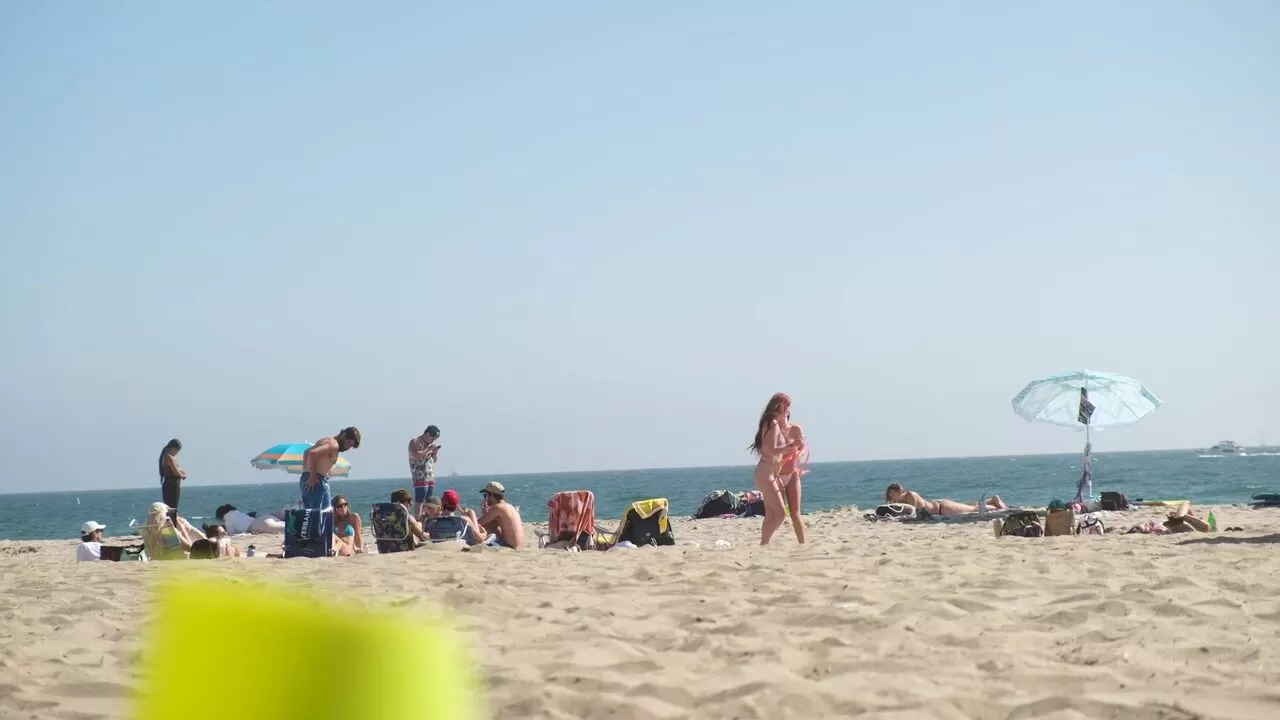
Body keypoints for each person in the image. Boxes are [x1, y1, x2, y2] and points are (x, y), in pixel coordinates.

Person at [749, 393, 805, 546]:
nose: (788, 410)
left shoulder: (771, 422)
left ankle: (764, 544)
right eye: (787, 406)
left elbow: (773, 449)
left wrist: (795, 447)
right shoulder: (772, 423)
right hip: (766, 472)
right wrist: (791, 446)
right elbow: (771, 449)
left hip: (769, 472)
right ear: (780, 406)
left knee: (773, 514)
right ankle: (763, 543)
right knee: (780, 514)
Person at [300, 427, 361, 510]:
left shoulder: (327, 440)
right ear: (343, 435)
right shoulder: (334, 445)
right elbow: (312, 453)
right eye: (348, 444)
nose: (348, 448)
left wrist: (306, 473)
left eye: (350, 446)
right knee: (321, 517)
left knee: (314, 516)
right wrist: (313, 476)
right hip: (317, 481)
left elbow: (306, 452)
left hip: (308, 479)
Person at [776, 411, 808, 544]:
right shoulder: (772, 432)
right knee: (777, 515)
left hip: (792, 474)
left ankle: (802, 544)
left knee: (795, 513)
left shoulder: (795, 429)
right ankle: (767, 543)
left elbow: (803, 447)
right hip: (776, 476)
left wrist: (797, 456)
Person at [884, 483, 1008, 516]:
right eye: (891, 496)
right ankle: (991, 500)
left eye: (893, 495)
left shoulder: (910, 495)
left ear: (900, 491)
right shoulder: (903, 501)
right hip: (940, 507)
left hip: (943, 509)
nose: (893, 498)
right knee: (968, 506)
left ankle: (995, 504)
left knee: (972, 509)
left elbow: (912, 513)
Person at [466, 482, 523, 549]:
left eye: (485, 495)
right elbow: (492, 524)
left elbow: (479, 523)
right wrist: (486, 513)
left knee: (478, 528)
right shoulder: (509, 506)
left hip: (509, 547)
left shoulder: (498, 508)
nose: (485, 499)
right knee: (492, 526)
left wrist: (469, 515)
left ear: (491, 495)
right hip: (517, 546)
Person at [140, 501, 205, 560]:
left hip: (158, 563)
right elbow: (190, 548)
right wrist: (182, 528)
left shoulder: (145, 531)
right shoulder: (168, 529)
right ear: (164, 514)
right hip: (178, 563)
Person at [409, 425, 441, 519]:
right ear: (427, 434)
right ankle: (418, 520)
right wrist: (429, 449)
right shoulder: (415, 442)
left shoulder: (429, 445)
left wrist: (434, 453)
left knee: (429, 502)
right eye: (432, 438)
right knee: (420, 501)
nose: (433, 441)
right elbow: (416, 455)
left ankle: (426, 520)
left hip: (430, 476)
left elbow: (434, 460)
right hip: (420, 476)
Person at [158, 439, 185, 522]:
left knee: (170, 507)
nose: (176, 453)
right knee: (172, 507)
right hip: (172, 484)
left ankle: (171, 525)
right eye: (177, 451)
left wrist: (181, 471)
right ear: (173, 448)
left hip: (169, 483)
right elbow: (175, 471)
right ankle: (172, 525)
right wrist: (182, 475)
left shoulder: (166, 456)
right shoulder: (168, 457)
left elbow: (175, 469)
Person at [215, 505, 286, 534]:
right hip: (262, 518)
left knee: (285, 529)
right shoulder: (236, 512)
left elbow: (231, 534)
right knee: (285, 525)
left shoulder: (227, 518)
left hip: (259, 524)